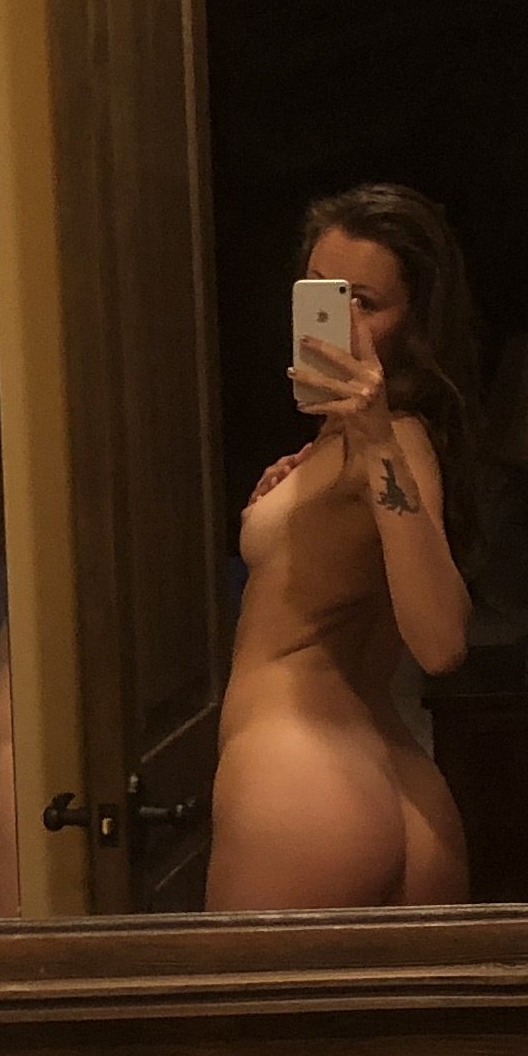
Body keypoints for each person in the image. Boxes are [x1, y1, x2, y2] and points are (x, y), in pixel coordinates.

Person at [203, 183, 478, 913]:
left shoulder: (395, 439)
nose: (340, 321)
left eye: (367, 302)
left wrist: (376, 439)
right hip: (390, 777)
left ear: (416, 321)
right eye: (323, 292)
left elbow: (442, 643)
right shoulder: (354, 445)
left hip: (300, 779)